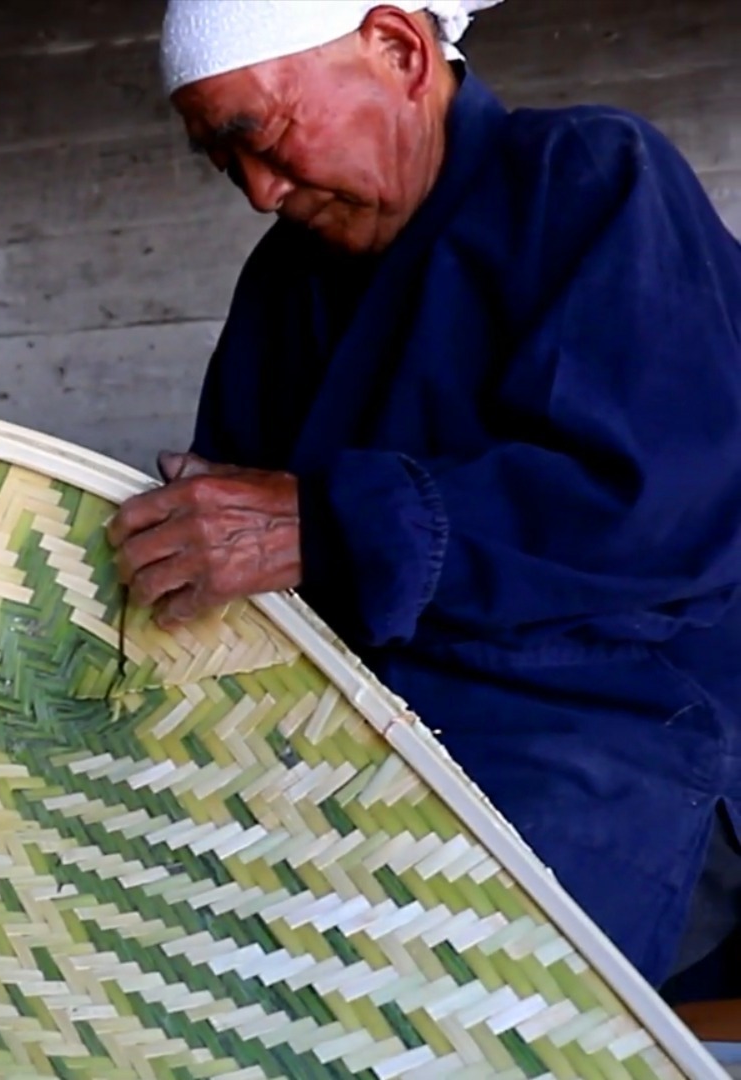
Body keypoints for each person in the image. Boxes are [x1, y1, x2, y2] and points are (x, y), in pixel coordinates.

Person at [107, 0, 741, 993]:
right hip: (366, 754)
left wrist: (320, 528)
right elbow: (245, 546)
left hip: (624, 746)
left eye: (260, 136)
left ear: (398, 50)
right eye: (223, 163)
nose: (260, 193)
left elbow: (652, 504)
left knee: (411, 1003)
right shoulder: (285, 284)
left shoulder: (582, 178)